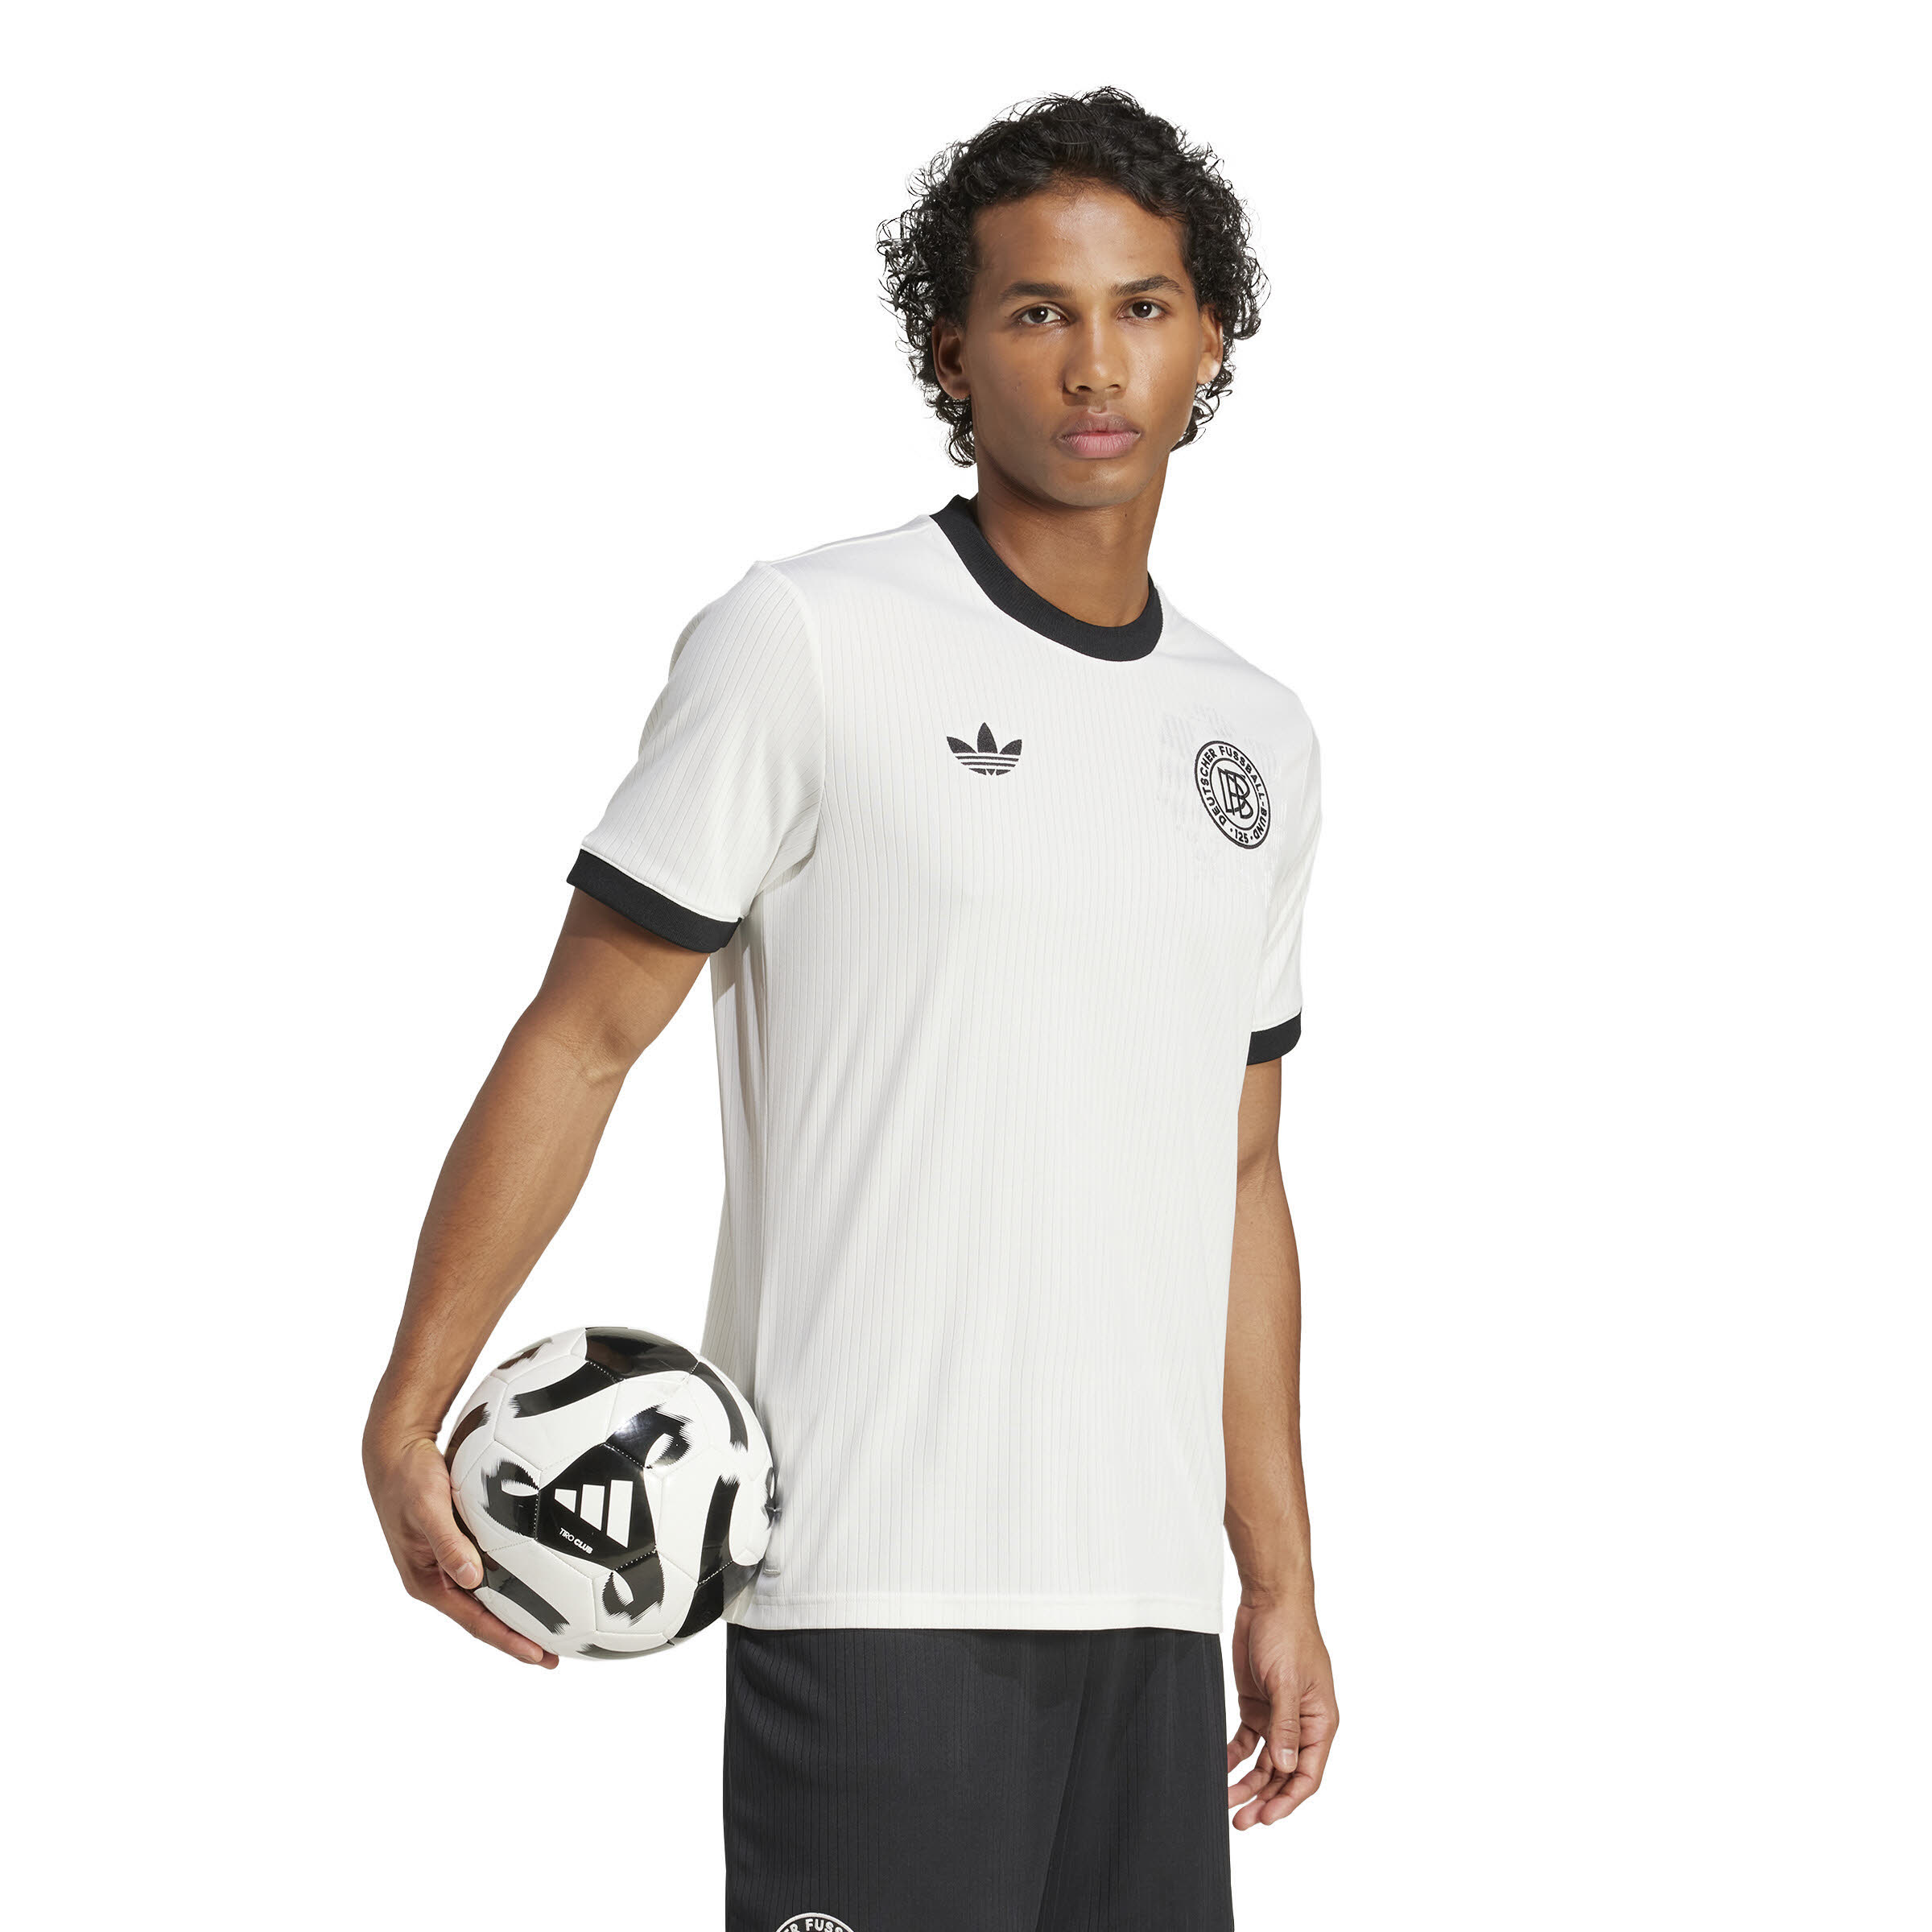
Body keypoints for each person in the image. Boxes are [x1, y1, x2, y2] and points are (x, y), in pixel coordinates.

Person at [364, 85, 1337, 1929]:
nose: (1095, 363)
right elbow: (585, 1036)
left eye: (1141, 306)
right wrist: (412, 1402)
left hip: (1144, 1611)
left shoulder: (1257, 738)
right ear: (950, 349)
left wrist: (1273, 1576)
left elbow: (1240, 1173)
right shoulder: (806, 638)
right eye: (1037, 311)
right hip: (873, 1582)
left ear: (1211, 336)